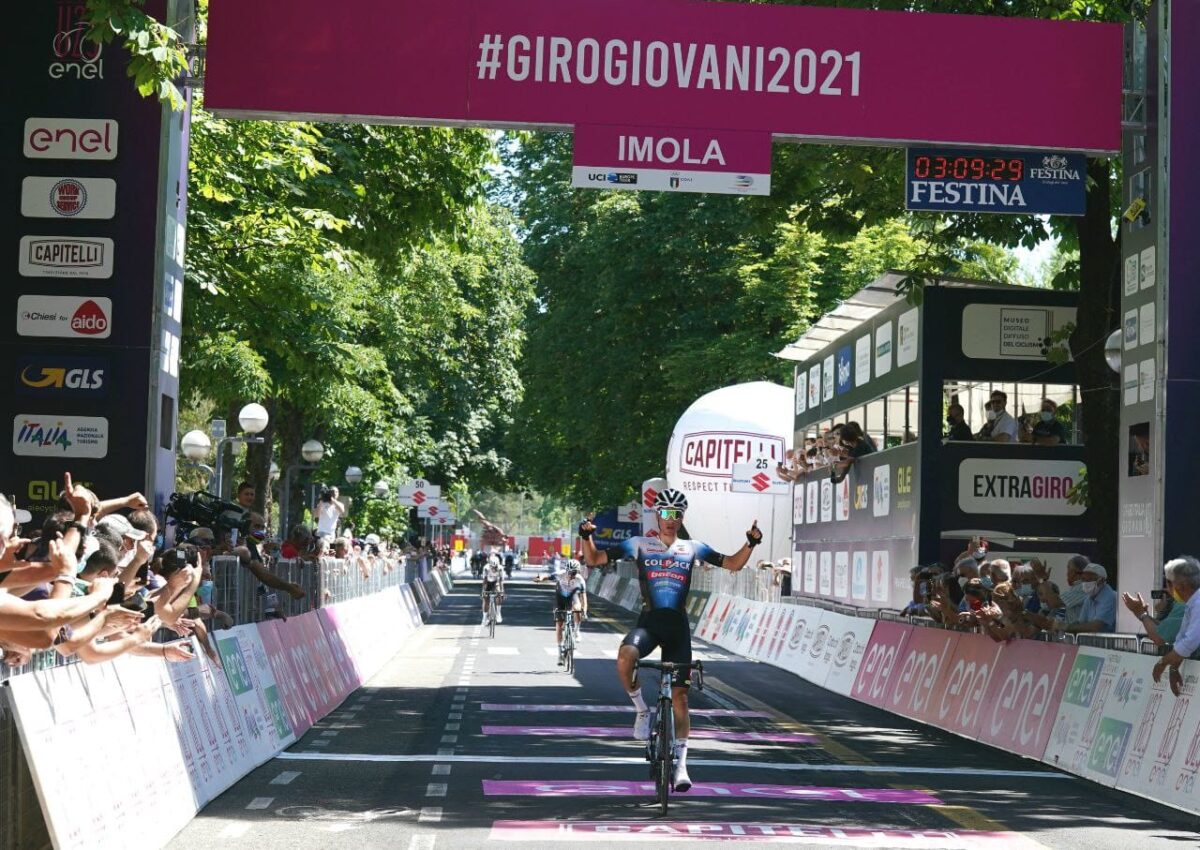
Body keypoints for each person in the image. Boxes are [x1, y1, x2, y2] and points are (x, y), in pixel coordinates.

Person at [579, 488, 762, 793]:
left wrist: (751, 543)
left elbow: (732, 564)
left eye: (677, 515)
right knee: (625, 657)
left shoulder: (692, 548)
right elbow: (595, 558)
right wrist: (586, 537)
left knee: (680, 697)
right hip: (649, 624)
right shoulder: (640, 544)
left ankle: (681, 765)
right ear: (657, 516)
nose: (671, 520)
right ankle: (640, 710)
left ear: (682, 518)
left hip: (677, 628)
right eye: (665, 514)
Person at [1152, 557, 1200, 696]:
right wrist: (1173, 668)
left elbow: (1190, 641)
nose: (1167, 589)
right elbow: (1182, 638)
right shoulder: (1192, 604)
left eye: (1169, 583)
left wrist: (1162, 663)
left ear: (1181, 586)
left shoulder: (1197, 604)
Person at [536, 560, 588, 664]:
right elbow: (547, 577)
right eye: (571, 572)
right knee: (559, 625)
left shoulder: (580, 580)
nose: (573, 575)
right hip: (560, 598)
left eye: (575, 573)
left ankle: (577, 630)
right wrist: (540, 578)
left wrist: (584, 611)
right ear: (567, 570)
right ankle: (560, 653)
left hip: (573, 597)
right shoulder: (560, 574)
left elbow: (584, 598)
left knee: (578, 608)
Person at [1057, 563, 1117, 634]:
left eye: (1090, 579)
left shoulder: (1110, 597)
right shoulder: (1089, 598)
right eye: (1083, 579)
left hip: (1108, 644)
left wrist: (1066, 627)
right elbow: (1081, 622)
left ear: (1101, 580)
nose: (1085, 583)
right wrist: (1062, 626)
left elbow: (1095, 627)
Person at [480, 555, 505, 625]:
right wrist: (483, 591)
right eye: (492, 567)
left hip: (495, 582)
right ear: (489, 565)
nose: (494, 568)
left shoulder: (500, 568)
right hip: (488, 582)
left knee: (499, 593)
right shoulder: (486, 568)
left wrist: (502, 592)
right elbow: (484, 581)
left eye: (495, 567)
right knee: (486, 600)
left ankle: (498, 613)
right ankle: (484, 618)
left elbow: (501, 581)